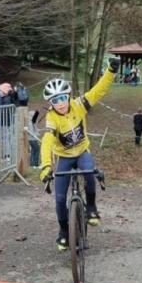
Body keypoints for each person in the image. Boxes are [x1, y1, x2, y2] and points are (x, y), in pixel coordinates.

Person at [40, 57, 120, 251]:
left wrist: (110, 71)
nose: (59, 104)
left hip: (82, 151)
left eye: (62, 98)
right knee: (59, 199)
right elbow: (47, 141)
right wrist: (46, 166)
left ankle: (91, 207)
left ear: (68, 96)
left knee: (89, 172)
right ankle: (64, 232)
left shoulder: (78, 105)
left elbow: (98, 91)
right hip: (64, 158)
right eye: (54, 100)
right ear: (50, 103)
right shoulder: (51, 117)